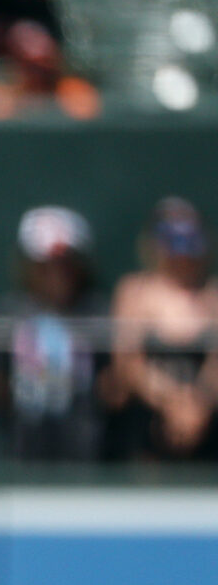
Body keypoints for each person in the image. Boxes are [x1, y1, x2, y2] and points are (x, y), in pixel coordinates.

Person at [0, 205, 103, 461]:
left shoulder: (97, 313)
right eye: (45, 266)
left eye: (65, 265)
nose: (56, 275)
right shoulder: (10, 312)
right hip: (22, 450)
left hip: (87, 451)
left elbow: (114, 383)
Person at [108, 198, 218, 461]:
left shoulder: (213, 296)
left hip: (207, 431)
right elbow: (127, 362)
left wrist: (198, 404)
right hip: (148, 432)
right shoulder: (134, 293)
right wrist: (171, 403)